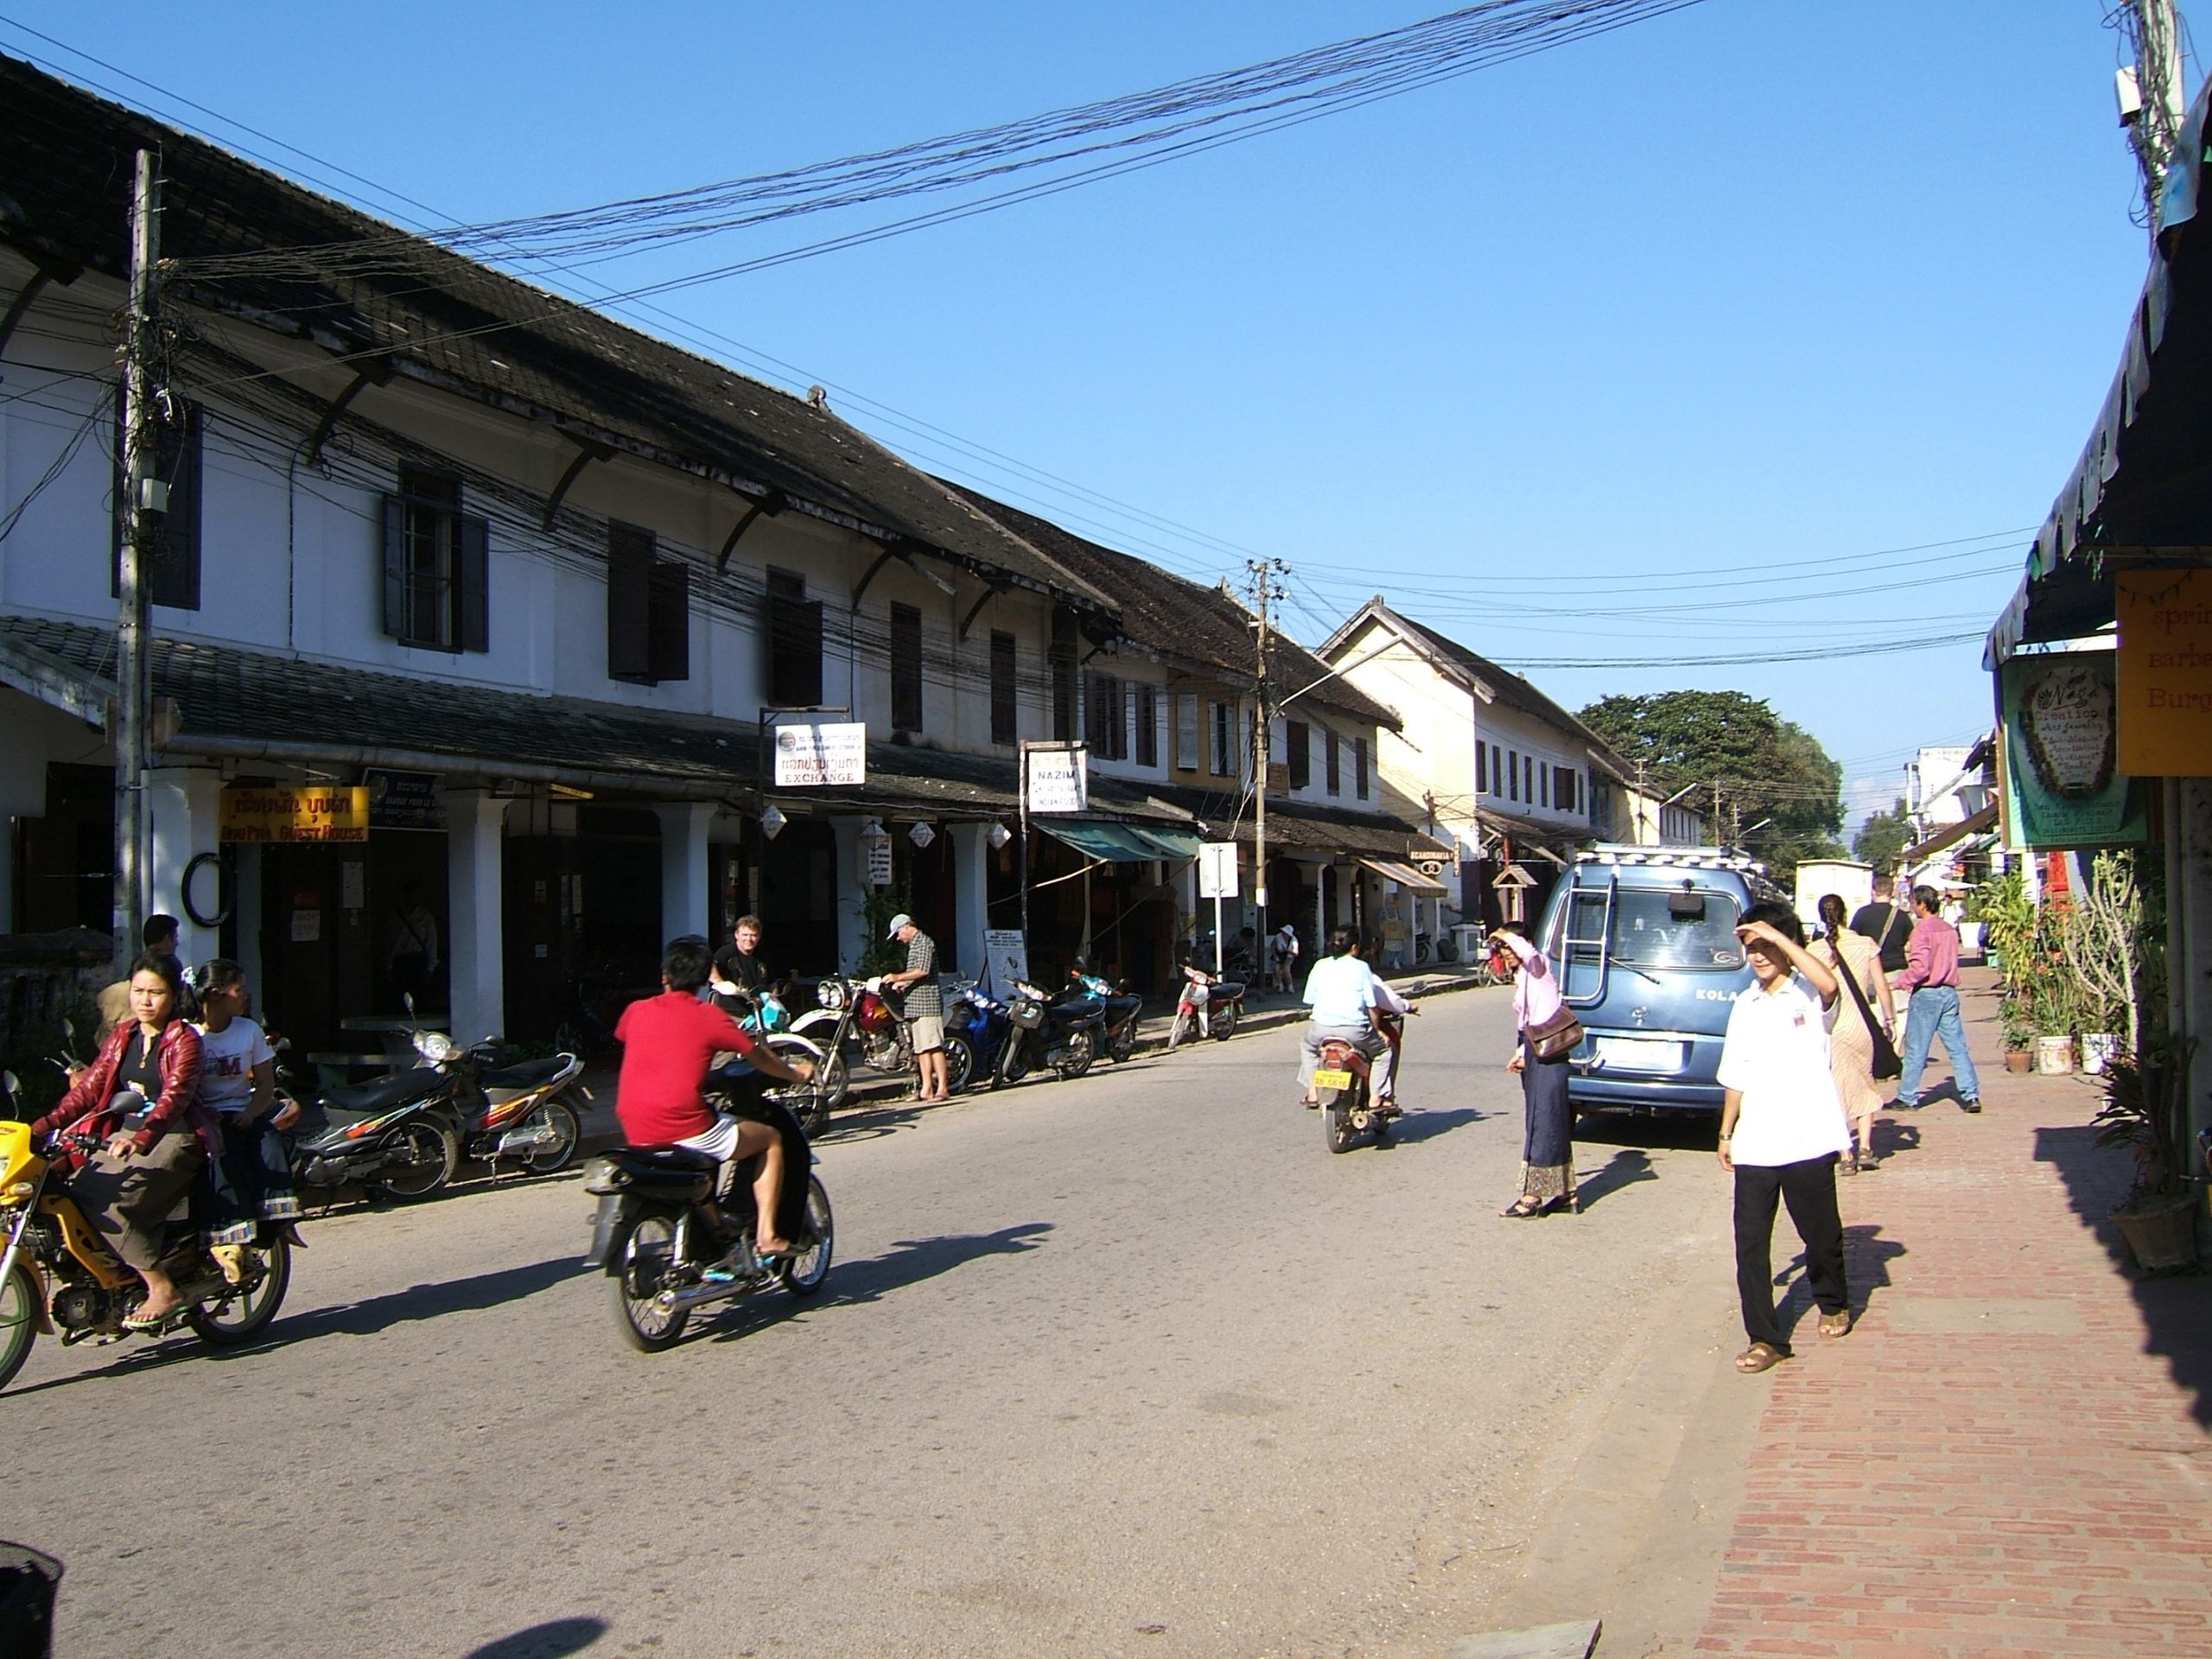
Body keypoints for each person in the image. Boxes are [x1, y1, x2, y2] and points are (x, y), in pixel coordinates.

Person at [28, 954, 213, 1328]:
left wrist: (142, 1138)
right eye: (138, 991)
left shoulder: (184, 1039)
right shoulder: (123, 1035)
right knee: (68, 1197)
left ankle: (160, 1285)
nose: (145, 1000)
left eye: (156, 993)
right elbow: (90, 1090)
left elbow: (174, 1098)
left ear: (174, 996)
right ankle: (97, 1279)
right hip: (122, 1137)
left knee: (111, 1207)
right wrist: (41, 1126)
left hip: (174, 1139)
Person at [613, 936, 816, 1259]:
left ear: (664, 976)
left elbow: (637, 1042)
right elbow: (759, 1057)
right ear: (707, 977)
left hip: (636, 1128)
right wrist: (795, 1073)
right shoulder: (710, 1017)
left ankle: (716, 1231)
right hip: (686, 1128)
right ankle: (766, 1234)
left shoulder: (635, 1012)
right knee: (772, 1139)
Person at [1717, 904, 1853, 1374]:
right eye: (1750, 947)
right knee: (1750, 1243)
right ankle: (1765, 1338)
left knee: (1820, 1235)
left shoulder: (1809, 996)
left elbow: (1831, 984)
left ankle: (1833, 1300)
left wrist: (1778, 935)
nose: (1757, 955)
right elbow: (1735, 1072)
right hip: (1757, 1140)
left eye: (1766, 945)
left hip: (1808, 1137)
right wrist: (1726, 1131)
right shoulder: (1744, 1005)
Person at [191, 959, 302, 1262]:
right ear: (216, 994)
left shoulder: (248, 1030)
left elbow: (265, 1083)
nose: (244, 997)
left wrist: (251, 1113)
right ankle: (229, 1229)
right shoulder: (189, 1036)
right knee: (223, 1156)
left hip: (244, 1109)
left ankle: (276, 1224)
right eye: (238, 990)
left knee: (269, 1143)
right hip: (203, 1116)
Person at [1491, 926, 1578, 1218]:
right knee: (1549, 1119)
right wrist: (1520, 1055)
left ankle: (1532, 1197)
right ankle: (1566, 1192)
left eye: (1509, 947)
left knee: (1543, 1121)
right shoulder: (1524, 977)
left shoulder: (1539, 966)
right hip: (1535, 1051)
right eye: (1501, 948)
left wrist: (1505, 933)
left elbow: (1529, 952)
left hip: (1549, 1055)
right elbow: (1526, 1022)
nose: (1505, 952)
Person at [1813, 893, 1897, 1175]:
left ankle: (1845, 1153)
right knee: (1864, 1082)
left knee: (1835, 1089)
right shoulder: (1865, 945)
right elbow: (1882, 986)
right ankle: (1866, 1148)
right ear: (1846, 913)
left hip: (1831, 1028)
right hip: (1861, 1025)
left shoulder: (1815, 950)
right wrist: (1890, 1019)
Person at [1893, 884, 1981, 1114]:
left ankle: (1907, 1096)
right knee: (1957, 1047)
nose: (1912, 906)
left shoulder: (1921, 930)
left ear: (1922, 904)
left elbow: (1921, 968)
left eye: (1914, 902)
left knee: (1916, 1048)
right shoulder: (1949, 930)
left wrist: (1901, 981)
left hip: (1927, 993)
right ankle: (1971, 1094)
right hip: (1949, 992)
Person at [1297, 926, 1384, 1108]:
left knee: (1307, 1049)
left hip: (1321, 1030)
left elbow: (1309, 999)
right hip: (1354, 1030)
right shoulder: (1361, 968)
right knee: (1383, 1053)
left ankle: (1313, 1093)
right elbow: (1372, 1005)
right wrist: (1377, 1031)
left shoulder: (1320, 965)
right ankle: (1376, 1098)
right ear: (1354, 948)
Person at [881, 913, 948, 1103]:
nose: (898, 939)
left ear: (906, 927)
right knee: (921, 1049)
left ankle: (942, 1087)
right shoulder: (913, 946)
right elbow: (914, 975)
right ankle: (926, 1088)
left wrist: (897, 977)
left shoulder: (925, 942)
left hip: (927, 1003)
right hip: (915, 1004)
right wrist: (903, 984)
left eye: (898, 934)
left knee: (934, 1047)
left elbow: (923, 970)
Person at [1362, 936, 1416, 1108]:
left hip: (1324, 1030)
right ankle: (1380, 1096)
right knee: (1386, 1051)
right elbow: (1391, 1003)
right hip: (1359, 1029)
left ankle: (1313, 1091)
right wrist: (1408, 1006)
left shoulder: (1327, 972)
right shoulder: (1369, 978)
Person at [385, 881, 440, 1010]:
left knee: (419, 998)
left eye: (417, 895)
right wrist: (388, 965)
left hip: (417, 961)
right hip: (399, 962)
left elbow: (431, 942)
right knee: (400, 998)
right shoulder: (395, 916)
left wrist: (430, 967)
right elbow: (390, 941)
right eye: (410, 894)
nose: (413, 898)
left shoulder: (425, 917)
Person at [1848, 875, 1914, 979]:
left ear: (1873, 891)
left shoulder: (1862, 913)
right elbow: (1911, 943)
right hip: (1895, 969)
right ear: (1892, 892)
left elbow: (1852, 939)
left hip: (1869, 969)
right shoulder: (1902, 916)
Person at [713, 914, 772, 998]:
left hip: (759, 1007)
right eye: (745, 935)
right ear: (736, 935)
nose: (749, 939)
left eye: (753, 935)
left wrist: (772, 1001)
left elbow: (772, 983)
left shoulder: (762, 955)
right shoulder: (726, 952)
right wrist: (721, 983)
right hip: (732, 1009)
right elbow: (709, 966)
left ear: (759, 936)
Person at [1271, 921, 1301, 994]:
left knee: (1286, 970)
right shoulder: (1278, 937)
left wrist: (1287, 950)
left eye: (1286, 934)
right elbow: (1273, 946)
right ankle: (1280, 986)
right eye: (1284, 933)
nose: (1284, 935)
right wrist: (1275, 955)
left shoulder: (1294, 940)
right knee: (1276, 968)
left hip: (1289, 957)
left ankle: (1290, 986)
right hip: (1279, 956)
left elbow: (1296, 953)